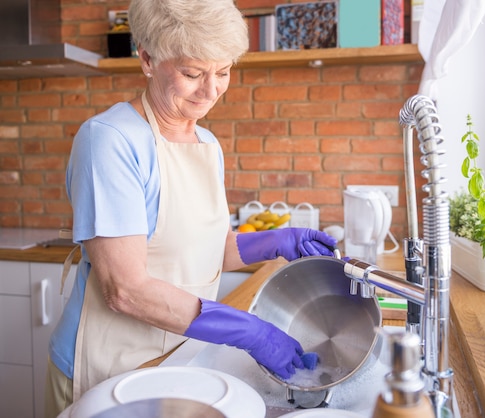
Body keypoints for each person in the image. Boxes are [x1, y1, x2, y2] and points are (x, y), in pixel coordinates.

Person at [44, 0, 337, 416]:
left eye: (223, 72)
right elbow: (124, 290)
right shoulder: (110, 141)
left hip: (178, 360)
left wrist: (277, 242)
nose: (212, 90)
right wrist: (247, 331)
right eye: (192, 73)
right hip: (106, 368)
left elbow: (201, 251)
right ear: (147, 58)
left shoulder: (207, 144)